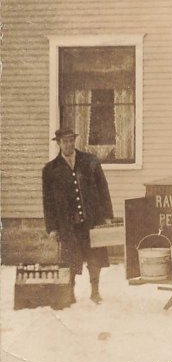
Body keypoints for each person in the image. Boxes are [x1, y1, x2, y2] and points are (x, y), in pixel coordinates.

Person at [42, 128, 112, 305]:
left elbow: (103, 189)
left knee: (94, 257)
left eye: (71, 140)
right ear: (58, 143)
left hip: (92, 221)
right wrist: (52, 228)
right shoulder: (50, 170)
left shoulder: (90, 162)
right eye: (64, 141)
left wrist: (107, 216)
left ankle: (95, 292)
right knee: (70, 259)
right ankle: (69, 293)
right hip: (68, 225)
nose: (69, 144)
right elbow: (48, 202)